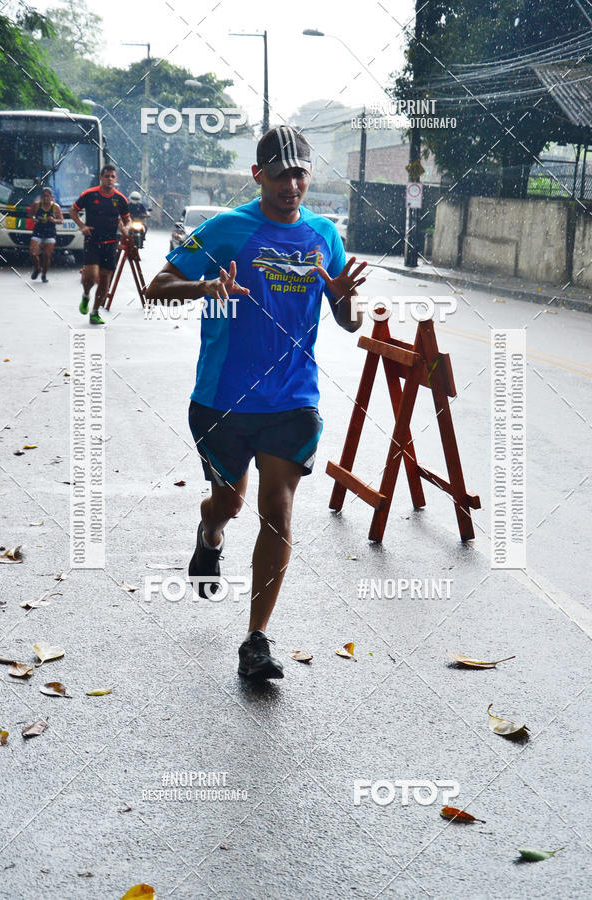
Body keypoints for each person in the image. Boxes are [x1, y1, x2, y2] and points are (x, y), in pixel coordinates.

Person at [146, 125, 366, 681]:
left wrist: (346, 303)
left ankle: (256, 639)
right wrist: (204, 288)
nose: (291, 185)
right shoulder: (225, 229)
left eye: (300, 174)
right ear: (258, 174)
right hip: (223, 398)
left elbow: (348, 320)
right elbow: (157, 285)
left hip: (293, 398)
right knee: (229, 503)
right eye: (280, 174)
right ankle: (210, 534)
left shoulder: (324, 235)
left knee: (279, 508)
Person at [68, 164, 131, 325]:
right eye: (107, 176)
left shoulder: (120, 199)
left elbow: (127, 219)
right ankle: (86, 295)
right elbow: (73, 211)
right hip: (92, 241)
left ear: (116, 179)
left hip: (111, 243)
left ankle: (95, 312)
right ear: (100, 178)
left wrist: (126, 228)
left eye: (112, 177)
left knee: (105, 279)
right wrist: (82, 226)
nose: (110, 179)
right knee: (91, 276)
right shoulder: (89, 194)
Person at [29, 187, 63, 283]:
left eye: (48, 196)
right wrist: (34, 219)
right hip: (38, 232)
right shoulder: (36, 205)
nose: (46, 198)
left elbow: (61, 220)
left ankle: (44, 274)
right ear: (41, 197)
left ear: (52, 197)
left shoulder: (55, 207)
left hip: (50, 234)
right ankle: (37, 268)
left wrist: (54, 220)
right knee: (33, 254)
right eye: (44, 196)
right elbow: (31, 214)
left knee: (47, 255)